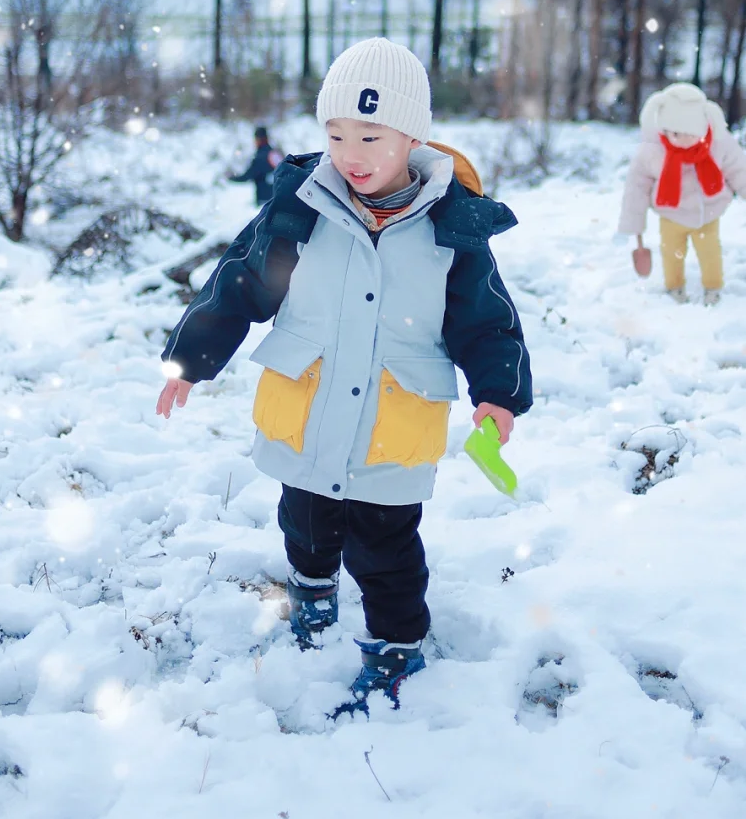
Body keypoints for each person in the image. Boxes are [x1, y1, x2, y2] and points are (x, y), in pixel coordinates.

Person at [156, 37, 531, 710]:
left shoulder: (452, 228)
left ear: (411, 136)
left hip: (393, 420)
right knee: (304, 518)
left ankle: (395, 644)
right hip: (311, 406)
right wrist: (194, 355)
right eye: (335, 134)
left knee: (386, 547)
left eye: (369, 135)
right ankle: (313, 585)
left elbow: (486, 320)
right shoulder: (301, 205)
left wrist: (499, 393)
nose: (350, 153)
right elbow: (241, 279)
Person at [618, 81, 746, 305]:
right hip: (671, 215)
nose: (681, 140)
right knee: (671, 254)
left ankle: (713, 288)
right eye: (674, 133)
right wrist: (635, 224)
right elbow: (636, 188)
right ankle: (675, 287)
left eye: (689, 134)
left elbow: (738, 167)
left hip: (707, 213)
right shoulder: (652, 150)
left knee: (710, 254)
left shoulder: (718, 142)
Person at [229, 125, 282, 205]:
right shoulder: (275, 153)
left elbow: (247, 176)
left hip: (264, 202)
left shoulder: (259, 157)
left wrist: (231, 178)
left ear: (258, 139)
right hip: (278, 199)